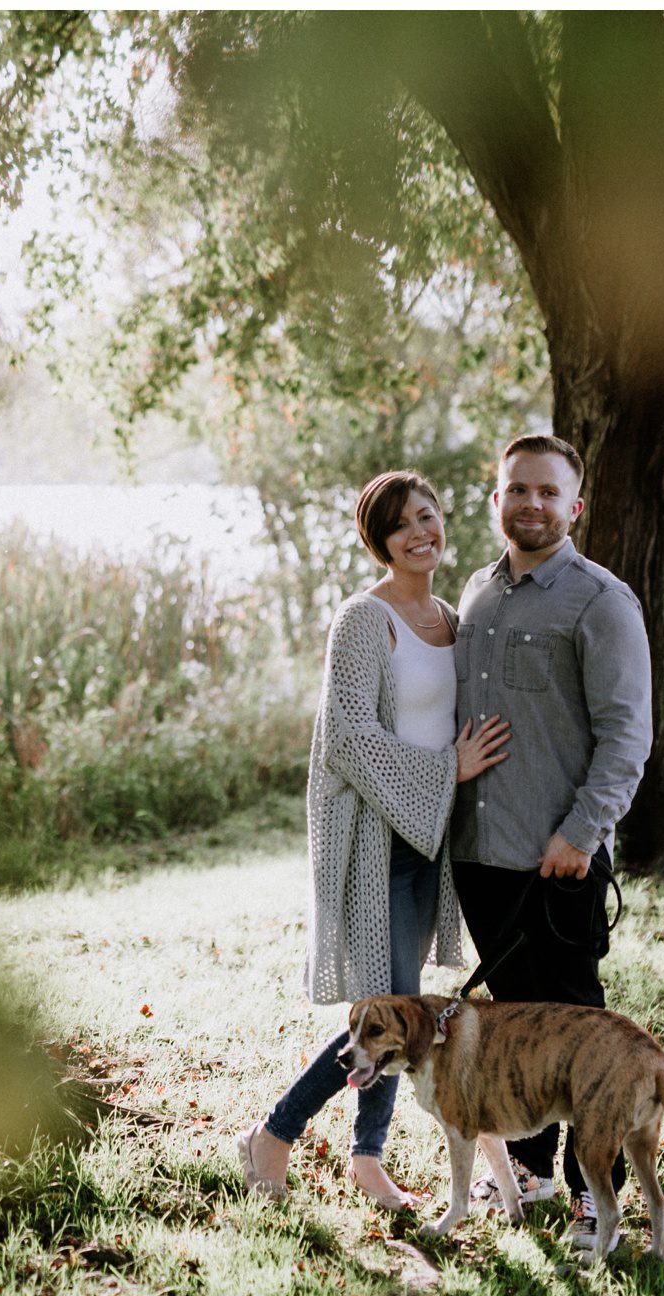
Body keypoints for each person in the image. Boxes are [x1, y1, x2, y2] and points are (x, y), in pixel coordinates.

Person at [238, 470, 510, 1211]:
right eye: (401, 526)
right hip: (374, 841)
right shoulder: (364, 620)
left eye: (429, 516)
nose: (421, 532)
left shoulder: (454, 618)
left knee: (396, 1012)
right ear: (380, 542)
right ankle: (276, 1134)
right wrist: (445, 767)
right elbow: (351, 741)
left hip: (433, 843)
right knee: (390, 1015)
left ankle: (366, 1158)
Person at [450, 433, 652, 1248]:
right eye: (515, 489)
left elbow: (627, 736)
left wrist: (580, 832)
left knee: (577, 1028)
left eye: (547, 492)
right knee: (510, 1024)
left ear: (575, 506)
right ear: (495, 499)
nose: (529, 503)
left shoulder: (601, 601)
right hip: (479, 856)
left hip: (558, 859)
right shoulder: (475, 596)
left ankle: (589, 1190)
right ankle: (531, 1168)